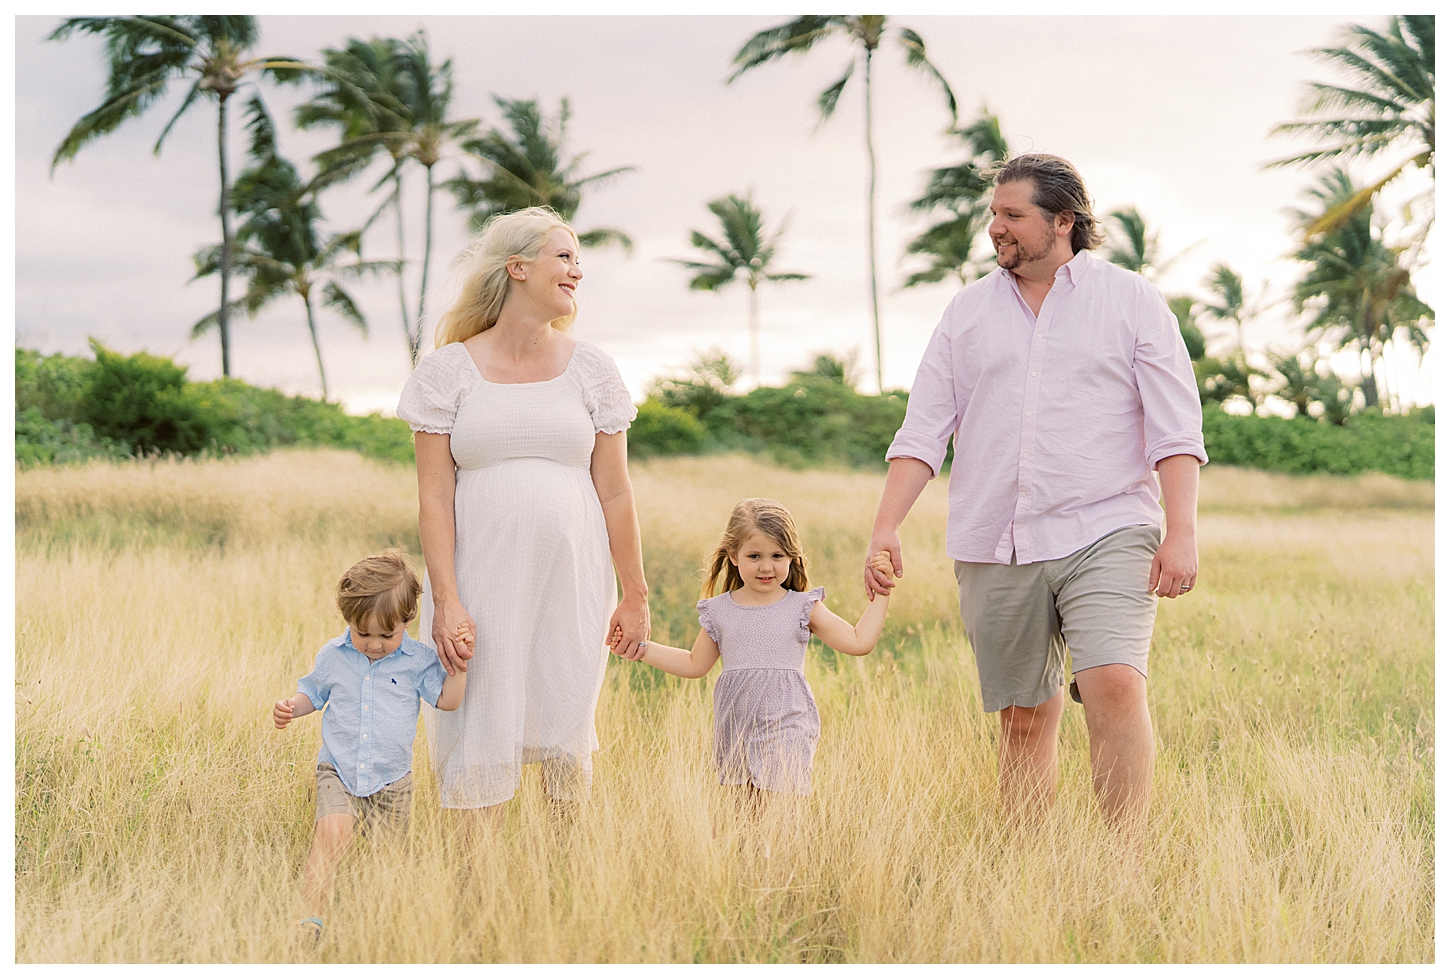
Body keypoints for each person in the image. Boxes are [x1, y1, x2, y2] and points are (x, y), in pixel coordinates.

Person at [865, 154, 1206, 842]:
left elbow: (1176, 425)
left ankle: (1123, 864)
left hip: (1108, 525)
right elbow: (924, 428)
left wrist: (1182, 529)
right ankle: (1027, 865)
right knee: (1024, 714)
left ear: (1063, 221)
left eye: (1012, 215)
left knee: (1114, 684)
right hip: (996, 535)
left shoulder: (1132, 300)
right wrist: (886, 526)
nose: (996, 228)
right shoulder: (967, 312)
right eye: (994, 214)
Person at [396, 206, 650, 826]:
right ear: (517, 268)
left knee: (566, 716)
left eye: (578, 258)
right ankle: (477, 901)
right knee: (478, 721)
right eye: (564, 257)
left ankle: (561, 888)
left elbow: (615, 491)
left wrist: (636, 593)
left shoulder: (591, 368)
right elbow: (433, 497)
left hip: (574, 581)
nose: (577, 272)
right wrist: (447, 600)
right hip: (477, 582)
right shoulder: (447, 372)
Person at [614, 499, 894, 798]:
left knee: (779, 822)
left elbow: (858, 641)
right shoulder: (719, 610)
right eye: (754, 555)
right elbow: (695, 664)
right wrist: (641, 649)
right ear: (734, 555)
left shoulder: (803, 606)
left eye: (777, 555)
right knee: (744, 826)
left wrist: (882, 591)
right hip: (734, 727)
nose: (766, 566)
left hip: (788, 726)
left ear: (792, 556)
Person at [272, 550, 468, 942]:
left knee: (388, 858)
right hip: (339, 770)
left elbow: (447, 700)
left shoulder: (418, 662)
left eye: (386, 635)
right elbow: (313, 691)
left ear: (407, 621)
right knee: (332, 836)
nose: (375, 645)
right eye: (364, 634)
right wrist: (293, 707)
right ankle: (310, 919)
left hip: (392, 781)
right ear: (349, 621)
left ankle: (379, 926)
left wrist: (459, 668)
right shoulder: (334, 655)